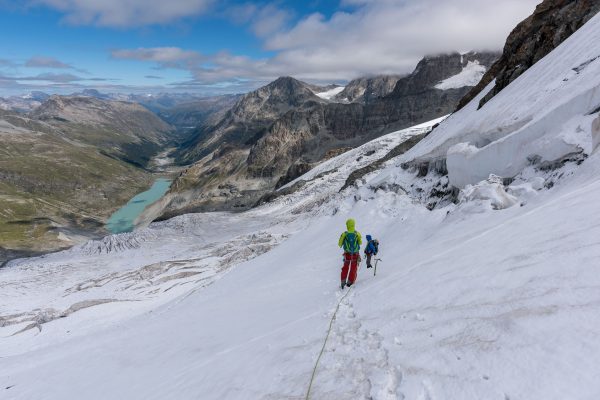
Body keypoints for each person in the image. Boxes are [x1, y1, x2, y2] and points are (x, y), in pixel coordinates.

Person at [338, 218, 362, 289]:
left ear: (347, 225)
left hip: (347, 254)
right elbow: (360, 242)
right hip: (355, 253)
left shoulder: (344, 234)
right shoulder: (357, 233)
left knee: (345, 267)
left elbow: (339, 244)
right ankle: (350, 282)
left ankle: (343, 282)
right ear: (354, 225)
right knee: (353, 268)